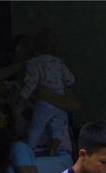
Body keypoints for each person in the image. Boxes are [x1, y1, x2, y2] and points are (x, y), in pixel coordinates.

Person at [0, 34, 80, 173]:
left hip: (58, 157)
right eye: (23, 52)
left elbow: (74, 105)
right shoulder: (16, 88)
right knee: (18, 149)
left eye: (33, 52)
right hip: (29, 156)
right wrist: (24, 65)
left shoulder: (56, 85)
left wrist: (41, 93)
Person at [20, 28, 75, 156]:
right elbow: (70, 79)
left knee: (37, 126)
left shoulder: (34, 63)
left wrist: (23, 97)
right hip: (59, 98)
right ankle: (54, 148)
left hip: (44, 103)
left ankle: (30, 151)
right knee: (58, 126)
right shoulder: (59, 63)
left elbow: (31, 83)